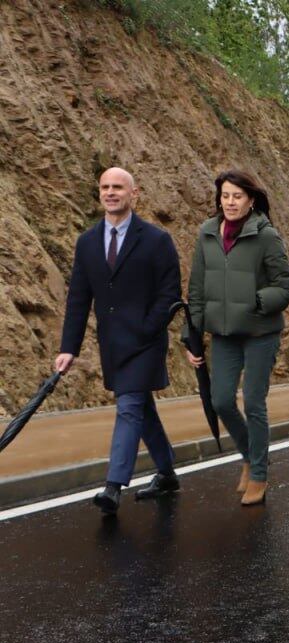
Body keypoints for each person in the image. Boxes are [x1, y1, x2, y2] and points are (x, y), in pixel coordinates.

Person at [56, 167, 182, 516]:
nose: (111, 193)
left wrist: (147, 328)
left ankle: (113, 487)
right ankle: (168, 473)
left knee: (128, 406)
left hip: (145, 342)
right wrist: (70, 348)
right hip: (112, 345)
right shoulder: (87, 243)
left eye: (118, 187)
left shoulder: (157, 240)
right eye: (105, 187)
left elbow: (169, 294)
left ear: (134, 193)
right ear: (99, 193)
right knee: (142, 408)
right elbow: (79, 299)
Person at [186, 170, 289, 506]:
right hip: (224, 334)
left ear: (250, 200)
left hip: (260, 332)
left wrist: (256, 302)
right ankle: (250, 455)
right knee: (220, 401)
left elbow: (285, 287)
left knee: (253, 401)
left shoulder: (266, 236)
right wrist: (191, 337)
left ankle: (259, 473)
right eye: (225, 196)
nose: (230, 202)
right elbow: (196, 289)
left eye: (237, 196)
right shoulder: (206, 234)